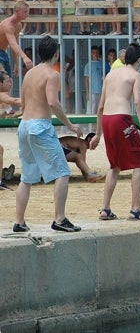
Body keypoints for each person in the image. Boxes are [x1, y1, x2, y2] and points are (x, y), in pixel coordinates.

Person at [14, 36, 83, 233]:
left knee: (26, 177)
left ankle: (19, 221)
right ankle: (59, 218)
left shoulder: (30, 74)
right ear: (56, 53)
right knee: (62, 172)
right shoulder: (52, 75)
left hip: (25, 125)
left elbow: (24, 103)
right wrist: (69, 125)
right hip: (40, 126)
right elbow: (53, 102)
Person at [89, 42, 140, 221]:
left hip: (107, 120)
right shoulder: (136, 76)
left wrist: (97, 133)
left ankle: (105, 209)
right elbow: (138, 103)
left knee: (115, 165)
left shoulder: (111, 74)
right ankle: (136, 209)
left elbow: (100, 106)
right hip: (121, 119)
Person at [0, 1, 32, 75]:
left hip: (3, 53)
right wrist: (25, 57)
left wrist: (16, 63)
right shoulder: (8, 25)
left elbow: (15, 45)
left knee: (7, 79)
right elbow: (13, 44)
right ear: (17, 11)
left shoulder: (18, 25)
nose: (27, 14)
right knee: (4, 80)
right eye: (25, 12)